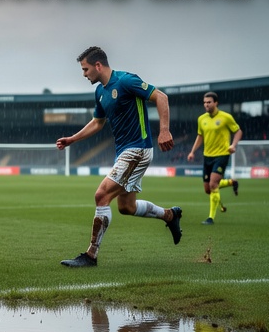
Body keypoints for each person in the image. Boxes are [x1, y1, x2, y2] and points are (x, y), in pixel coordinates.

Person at [56, 46, 182, 267]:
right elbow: (98, 122)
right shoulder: (100, 92)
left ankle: (90, 255)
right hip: (124, 152)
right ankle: (170, 215)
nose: (84, 74)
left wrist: (164, 130)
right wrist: (72, 139)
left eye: (85, 69)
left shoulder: (126, 81)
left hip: (138, 149)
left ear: (98, 65)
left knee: (101, 195)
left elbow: (161, 97)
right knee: (126, 207)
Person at [186, 91, 242, 225]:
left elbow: (238, 131)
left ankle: (210, 217)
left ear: (216, 103)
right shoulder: (201, 119)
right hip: (207, 156)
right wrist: (192, 152)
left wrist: (233, 145)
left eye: (209, 102)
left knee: (212, 185)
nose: (206, 105)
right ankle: (231, 182)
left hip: (222, 155)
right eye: (204, 102)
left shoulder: (226, 117)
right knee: (208, 189)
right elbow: (200, 136)